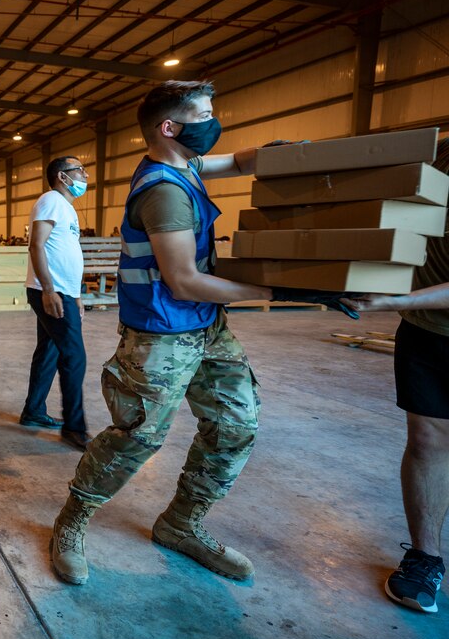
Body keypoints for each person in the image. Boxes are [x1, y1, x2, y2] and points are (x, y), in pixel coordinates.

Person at [47, 80, 353, 586]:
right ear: (171, 128)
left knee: (236, 424)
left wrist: (272, 155)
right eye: (205, 115)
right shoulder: (164, 192)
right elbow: (185, 280)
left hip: (208, 328)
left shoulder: (182, 163)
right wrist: (287, 292)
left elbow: (232, 162)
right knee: (137, 438)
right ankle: (70, 523)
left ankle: (181, 524)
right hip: (161, 335)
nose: (214, 124)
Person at [342, 139, 449, 614]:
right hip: (428, 329)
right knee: (427, 440)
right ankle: (426, 557)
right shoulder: (436, 156)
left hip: (414, 309)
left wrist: (395, 301)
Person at [20, 157, 90, 450]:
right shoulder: (51, 200)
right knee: (75, 357)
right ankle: (74, 427)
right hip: (50, 291)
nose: (85, 175)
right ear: (63, 176)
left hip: (62, 291)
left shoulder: (66, 207)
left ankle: (34, 411)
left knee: (49, 351)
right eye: (80, 171)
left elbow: (65, 252)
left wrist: (76, 295)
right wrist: (49, 289)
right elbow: (36, 244)